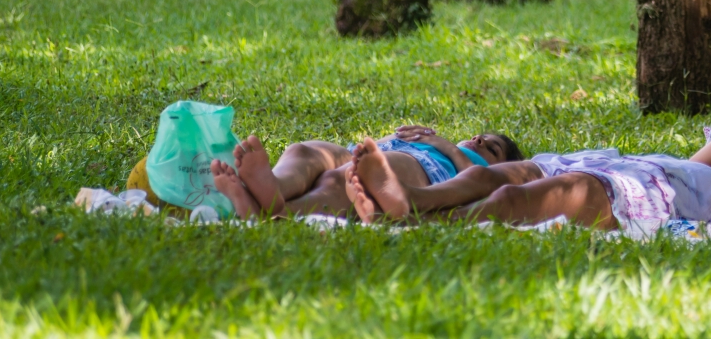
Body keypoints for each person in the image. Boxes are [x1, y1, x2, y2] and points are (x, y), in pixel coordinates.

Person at [342, 90, 711, 237]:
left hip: (622, 194)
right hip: (607, 167)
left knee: (513, 199)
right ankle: (412, 198)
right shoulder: (696, 167)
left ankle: (419, 221)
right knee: (491, 175)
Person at [209, 127, 522, 220]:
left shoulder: (477, 169)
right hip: (374, 151)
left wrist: (448, 147)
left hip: (420, 166)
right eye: (480, 136)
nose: (479, 141)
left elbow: (475, 182)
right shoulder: (432, 137)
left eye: (491, 148)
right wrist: (395, 137)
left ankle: (280, 212)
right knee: (304, 152)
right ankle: (275, 187)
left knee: (339, 179)